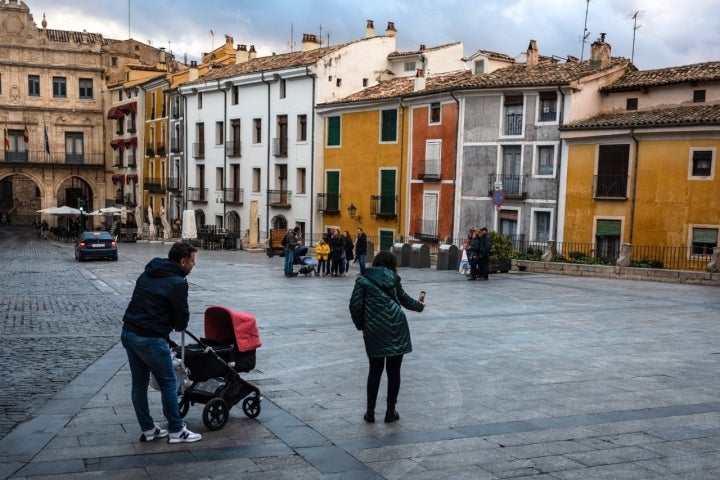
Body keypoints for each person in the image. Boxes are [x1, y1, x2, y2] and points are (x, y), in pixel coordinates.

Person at [120, 242, 202, 444]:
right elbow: (181, 319)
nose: (193, 265)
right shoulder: (178, 283)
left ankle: (148, 429)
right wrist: (175, 325)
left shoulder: (148, 273)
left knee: (139, 384)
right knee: (169, 382)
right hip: (150, 338)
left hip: (129, 332)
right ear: (182, 262)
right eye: (192, 261)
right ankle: (176, 430)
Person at [349, 250, 425, 424]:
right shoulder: (393, 278)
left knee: (374, 370)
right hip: (397, 326)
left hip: (374, 330)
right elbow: (404, 299)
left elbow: (354, 306)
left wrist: (362, 324)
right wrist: (420, 306)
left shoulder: (363, 280)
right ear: (392, 264)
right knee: (394, 372)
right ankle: (390, 412)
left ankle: (370, 412)